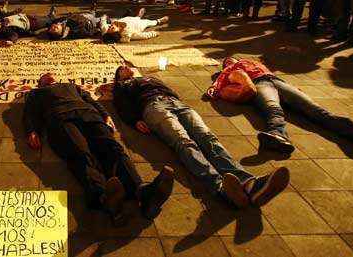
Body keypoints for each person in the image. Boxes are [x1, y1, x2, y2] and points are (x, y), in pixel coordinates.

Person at [112, 65, 290, 208]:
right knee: (184, 141)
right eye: (121, 69)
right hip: (152, 107)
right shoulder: (122, 86)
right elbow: (121, 105)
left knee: (207, 137)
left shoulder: (149, 78)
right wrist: (134, 120)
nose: (125, 67)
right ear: (119, 76)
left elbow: (170, 90)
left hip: (176, 103)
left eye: (126, 66)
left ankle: (249, 184)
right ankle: (220, 187)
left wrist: (175, 100)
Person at [24, 73, 174, 224]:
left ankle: (143, 192)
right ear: (40, 83)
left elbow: (90, 100)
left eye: (52, 75)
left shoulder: (72, 86)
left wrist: (105, 115)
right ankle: (103, 197)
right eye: (46, 76)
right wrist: (31, 130)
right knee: (80, 153)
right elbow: (30, 113)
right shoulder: (35, 93)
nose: (51, 76)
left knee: (113, 148)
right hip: (60, 119)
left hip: (89, 115)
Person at [206, 57, 353, 154]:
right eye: (228, 60)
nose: (232, 59)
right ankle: (278, 135)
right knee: (273, 109)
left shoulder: (253, 61)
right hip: (260, 84)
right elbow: (222, 88)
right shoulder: (230, 70)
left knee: (318, 112)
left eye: (232, 58)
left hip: (276, 80)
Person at [101, 8, 169, 43]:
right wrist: (153, 33)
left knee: (127, 17)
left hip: (128, 19)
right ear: (116, 34)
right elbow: (142, 36)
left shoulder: (106, 29)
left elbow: (103, 23)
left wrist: (104, 17)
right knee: (149, 22)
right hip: (139, 25)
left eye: (109, 28)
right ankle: (159, 20)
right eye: (112, 29)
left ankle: (138, 16)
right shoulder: (127, 34)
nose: (110, 26)